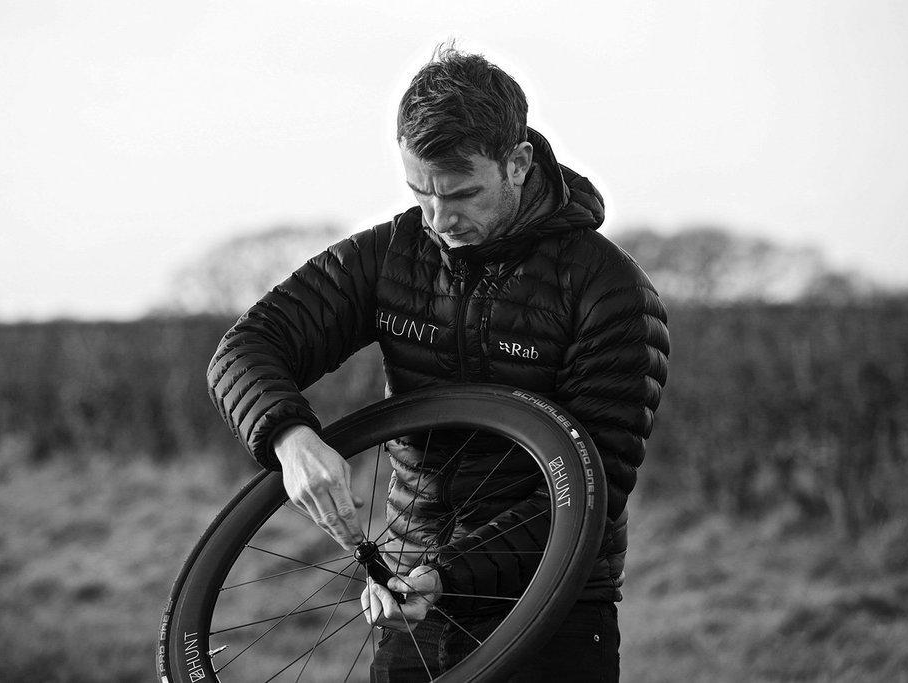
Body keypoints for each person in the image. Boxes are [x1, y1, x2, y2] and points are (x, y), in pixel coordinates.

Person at [207, 45, 669, 682]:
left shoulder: (607, 291)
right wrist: (290, 438)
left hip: (553, 602)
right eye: (418, 191)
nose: (438, 218)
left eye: (460, 194)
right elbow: (246, 347)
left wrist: (447, 575)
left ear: (518, 163)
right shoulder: (395, 252)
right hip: (410, 598)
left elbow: (593, 487)